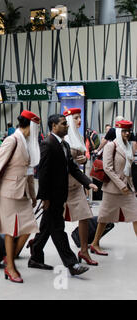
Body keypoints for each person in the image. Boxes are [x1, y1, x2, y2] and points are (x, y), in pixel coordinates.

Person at [28, 114, 98, 276]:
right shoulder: (47, 144)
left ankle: (35, 256)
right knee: (58, 230)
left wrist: (88, 182)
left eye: (66, 123)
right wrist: (44, 198)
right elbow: (43, 173)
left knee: (46, 227)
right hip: (52, 197)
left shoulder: (64, 145)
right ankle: (72, 264)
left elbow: (73, 169)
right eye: (63, 124)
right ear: (53, 126)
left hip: (61, 195)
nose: (67, 126)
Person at [0, 110, 40, 283]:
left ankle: (9, 258)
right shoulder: (13, 140)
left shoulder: (27, 142)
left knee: (29, 227)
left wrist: (33, 195)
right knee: (11, 230)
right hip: (8, 192)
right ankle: (10, 266)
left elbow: (29, 171)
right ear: (31, 125)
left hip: (23, 191)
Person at [90, 120, 137, 255]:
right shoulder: (112, 145)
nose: (127, 133)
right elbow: (108, 168)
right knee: (104, 218)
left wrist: (130, 185)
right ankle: (94, 243)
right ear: (118, 131)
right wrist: (121, 185)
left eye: (128, 131)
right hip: (112, 189)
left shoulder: (128, 146)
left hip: (128, 189)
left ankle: (94, 243)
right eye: (124, 131)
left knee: (135, 216)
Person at [62, 108, 97, 266]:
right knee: (51, 223)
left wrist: (82, 161)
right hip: (62, 186)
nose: (79, 121)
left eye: (80, 118)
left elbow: (80, 161)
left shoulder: (79, 137)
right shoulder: (63, 139)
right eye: (76, 118)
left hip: (76, 186)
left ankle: (84, 250)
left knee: (85, 216)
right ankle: (37, 245)